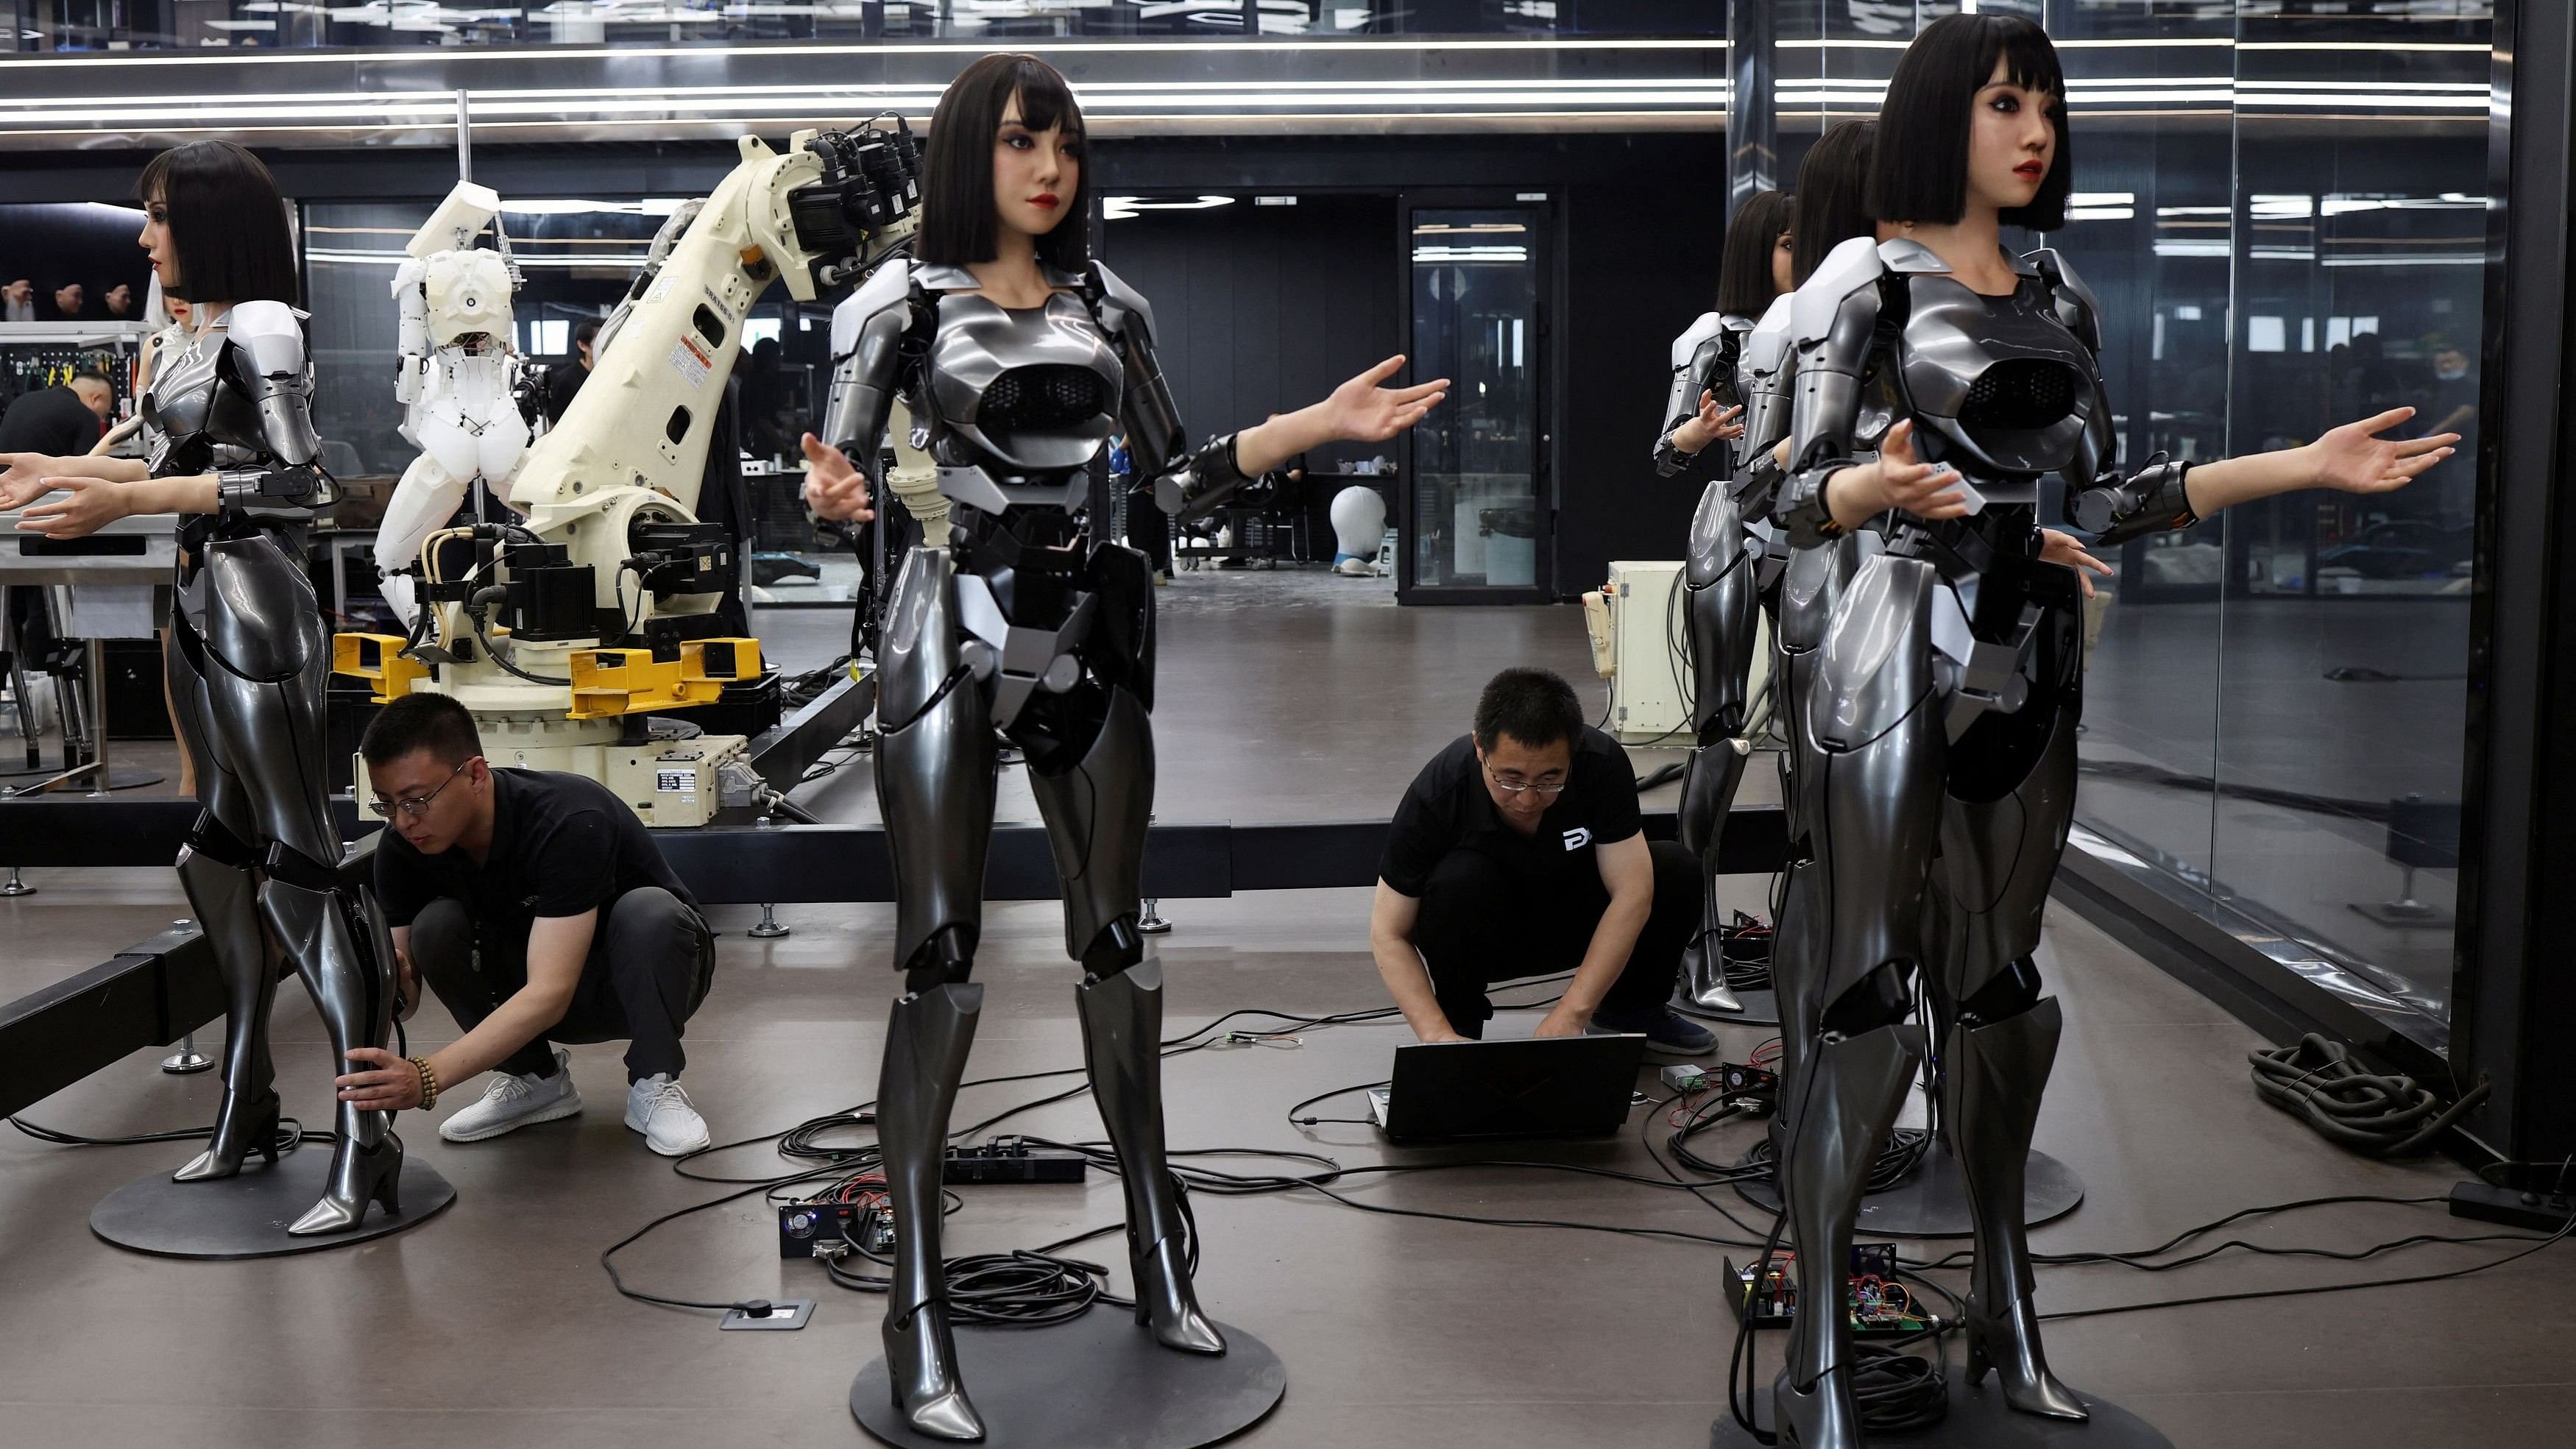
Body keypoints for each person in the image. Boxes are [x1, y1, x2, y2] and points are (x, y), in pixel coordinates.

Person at [1756, 17, 2457, 1445]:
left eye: (2048, 107)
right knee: (1869, 1004)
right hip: (1884, 659)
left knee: (2006, 999)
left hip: (2029, 662)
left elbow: (2114, 488)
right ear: (1939, 113)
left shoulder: (2060, 297)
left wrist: (2300, 466)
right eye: (2006, 102)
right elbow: (1787, 495)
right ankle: (1819, 1342)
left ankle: (2002, 1316)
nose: (2034, 131)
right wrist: (1873, 495)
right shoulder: (1858, 290)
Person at [799, 52, 1446, 1441]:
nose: (1050, 168)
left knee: (1118, 948)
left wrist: (1317, 427)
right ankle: (917, 1302)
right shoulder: (897, 303)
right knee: (942, 963)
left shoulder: (1109, 303)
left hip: (1086, 627)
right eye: (1025, 141)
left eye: (1068, 146)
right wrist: (831, 489)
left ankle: (1161, 1251)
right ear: (971, 149)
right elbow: (835, 479)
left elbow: (1172, 474)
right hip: (947, 627)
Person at [1, 138, 405, 1237]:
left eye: (161, 215)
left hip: (257, 602)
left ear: (213, 224)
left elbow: (299, 483)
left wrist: (122, 501)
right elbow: (157, 459)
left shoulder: (265, 324)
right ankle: (251, 1101)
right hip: (197, 600)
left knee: (301, 870)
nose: (144, 236)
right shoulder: (187, 336)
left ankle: (368, 1135)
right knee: (216, 861)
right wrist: (68, 474)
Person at [331, 693, 718, 1156]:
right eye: (387, 805)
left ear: (475, 774)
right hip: (531, 991)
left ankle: (655, 1082)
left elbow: (551, 992)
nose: (403, 821)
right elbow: (406, 996)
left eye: (416, 801)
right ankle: (534, 1079)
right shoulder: (401, 851)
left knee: (649, 911)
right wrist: (387, 982)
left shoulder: (569, 817)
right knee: (434, 926)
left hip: (639, 981)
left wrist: (426, 1077)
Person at [1370, 666, 1714, 1055]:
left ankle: (1629, 1010)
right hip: (1480, 937)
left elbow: (1632, 894)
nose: (1528, 798)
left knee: (1673, 868)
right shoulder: (1439, 792)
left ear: (1574, 750)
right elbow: (1388, 931)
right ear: (1480, 748)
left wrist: (1571, 1014)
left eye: (1550, 779)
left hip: (1570, 924)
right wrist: (1435, 1036)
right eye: (1510, 779)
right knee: (1456, 882)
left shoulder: (1602, 764)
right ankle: (1459, 1029)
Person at [0, 366, 113, 457]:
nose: (102, 419)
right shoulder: (86, 416)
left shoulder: (23, 400)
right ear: (96, 398)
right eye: (104, 414)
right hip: (40, 484)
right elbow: (86, 471)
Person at [542, 316, 599, 424]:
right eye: (599, 342)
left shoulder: (609, 375)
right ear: (582, 345)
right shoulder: (565, 381)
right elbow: (554, 423)